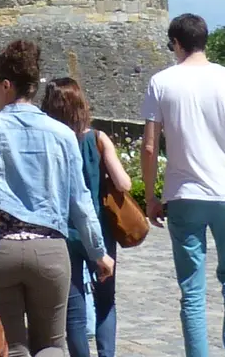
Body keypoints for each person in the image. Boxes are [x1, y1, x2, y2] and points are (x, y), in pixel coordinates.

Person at [0, 41, 112, 357]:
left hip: (0, 250)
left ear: (6, 85)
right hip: (51, 250)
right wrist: (98, 252)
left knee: (12, 345)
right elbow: (80, 202)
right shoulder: (62, 134)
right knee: (51, 344)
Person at [141, 15, 225, 357]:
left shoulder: (161, 82)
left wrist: (151, 197)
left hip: (183, 194)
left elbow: (150, 146)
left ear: (177, 43)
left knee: (193, 291)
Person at [42, 79, 135, 357]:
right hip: (99, 230)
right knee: (105, 300)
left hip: (63, 231)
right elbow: (124, 184)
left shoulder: (51, 138)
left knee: (74, 306)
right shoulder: (97, 138)